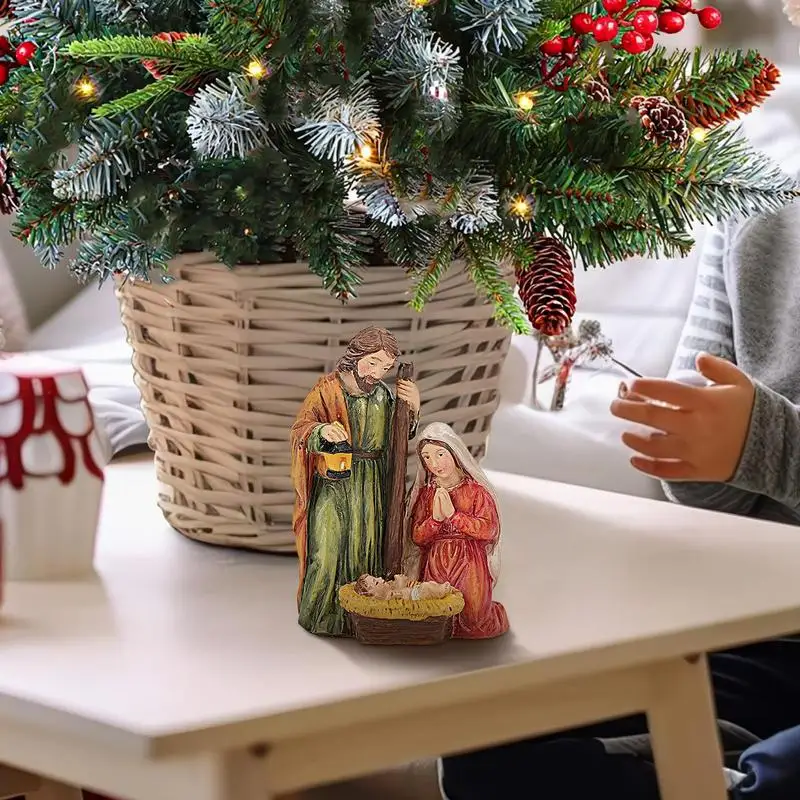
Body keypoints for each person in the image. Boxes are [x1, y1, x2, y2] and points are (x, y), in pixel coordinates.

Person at [439, 199, 800, 797]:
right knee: (487, 745)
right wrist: (691, 443)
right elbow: (716, 501)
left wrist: (774, 445)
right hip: (764, 642)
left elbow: (768, 446)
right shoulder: (754, 213)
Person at [290, 326, 420, 637]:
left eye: (385, 367)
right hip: (335, 483)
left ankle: (359, 619)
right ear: (356, 355)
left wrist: (413, 408)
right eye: (372, 363)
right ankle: (323, 617)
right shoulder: (327, 389)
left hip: (372, 484)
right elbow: (300, 429)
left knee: (366, 550)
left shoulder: (383, 396)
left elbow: (399, 435)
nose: (377, 373)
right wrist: (321, 431)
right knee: (328, 551)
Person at [403, 422, 508, 640]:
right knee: (436, 614)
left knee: (473, 622)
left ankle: (489, 614)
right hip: (437, 562)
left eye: (440, 454)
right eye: (427, 457)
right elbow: (417, 536)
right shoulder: (427, 494)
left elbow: (489, 529)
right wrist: (435, 520)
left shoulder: (476, 492)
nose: (434, 463)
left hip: (468, 563)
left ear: (454, 452)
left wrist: (455, 516)